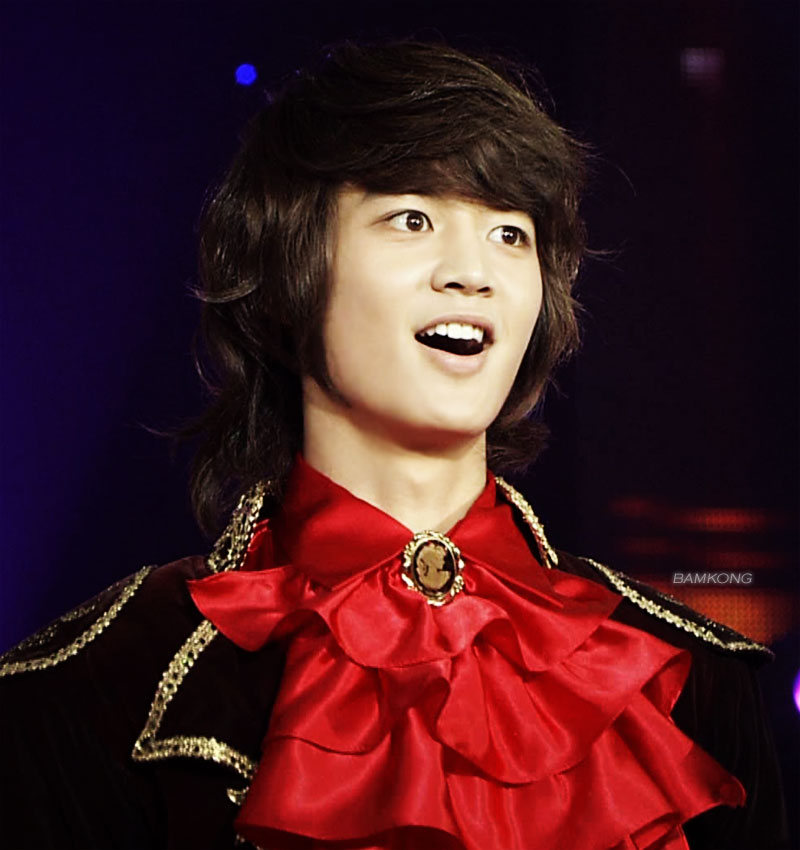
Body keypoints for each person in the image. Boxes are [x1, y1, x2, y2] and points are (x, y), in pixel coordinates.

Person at [0, 40, 788, 850]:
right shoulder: (96, 686)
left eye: (510, 234)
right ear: (287, 269)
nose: (473, 273)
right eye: (413, 218)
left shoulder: (689, 677)